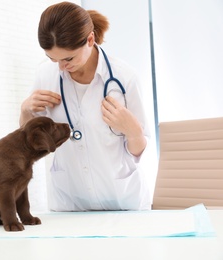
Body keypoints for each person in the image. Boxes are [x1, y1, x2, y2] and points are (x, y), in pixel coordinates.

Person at [19, 2, 152, 211]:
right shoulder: (45, 74)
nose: (61, 67)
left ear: (90, 39)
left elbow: (139, 151)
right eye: (52, 58)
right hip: (69, 202)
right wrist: (26, 111)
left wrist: (134, 132)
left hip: (121, 200)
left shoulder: (125, 78)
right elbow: (30, 142)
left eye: (68, 58)